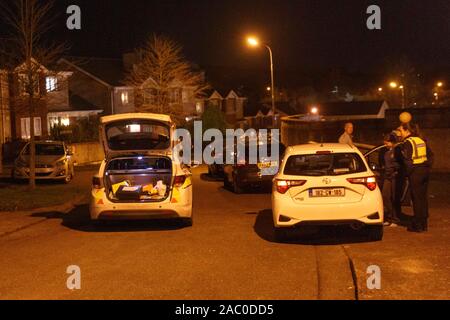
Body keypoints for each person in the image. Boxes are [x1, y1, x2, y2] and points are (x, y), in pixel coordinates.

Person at [397, 123, 432, 233]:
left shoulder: (408, 142)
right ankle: (424, 223)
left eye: (401, 131)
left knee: (416, 199)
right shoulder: (420, 140)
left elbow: (408, 160)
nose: (400, 133)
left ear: (407, 131)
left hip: (415, 172)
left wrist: (407, 174)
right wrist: (427, 167)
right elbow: (430, 155)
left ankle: (418, 225)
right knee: (422, 198)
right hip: (424, 170)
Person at [382, 132, 401, 227]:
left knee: (394, 198)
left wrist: (395, 170)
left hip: (394, 176)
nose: (385, 145)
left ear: (391, 142)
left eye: (387, 143)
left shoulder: (396, 151)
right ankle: (389, 216)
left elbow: (399, 164)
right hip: (387, 177)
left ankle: (395, 219)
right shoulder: (387, 152)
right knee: (385, 196)